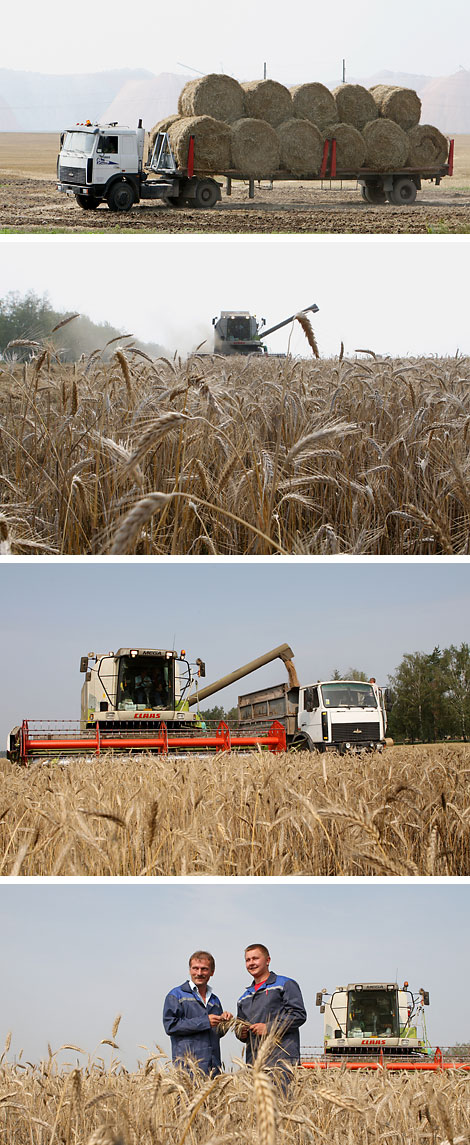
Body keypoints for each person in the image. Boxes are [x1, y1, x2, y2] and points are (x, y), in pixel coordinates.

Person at [236, 944, 307, 1074]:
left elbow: (298, 1015)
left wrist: (269, 1027)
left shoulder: (285, 984)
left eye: (255, 958)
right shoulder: (243, 998)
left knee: (282, 1095)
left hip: (281, 1061)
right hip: (254, 1063)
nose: (251, 963)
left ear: (267, 960)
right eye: (248, 960)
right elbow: (240, 1029)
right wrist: (241, 1033)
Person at [163, 950, 232, 1074]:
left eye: (204, 969)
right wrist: (205, 1021)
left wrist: (225, 1022)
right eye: (195, 968)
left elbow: (216, 1033)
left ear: (212, 972)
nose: (199, 973)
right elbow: (171, 1026)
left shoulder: (215, 1000)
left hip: (213, 1068)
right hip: (188, 1069)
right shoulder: (176, 995)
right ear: (190, 970)